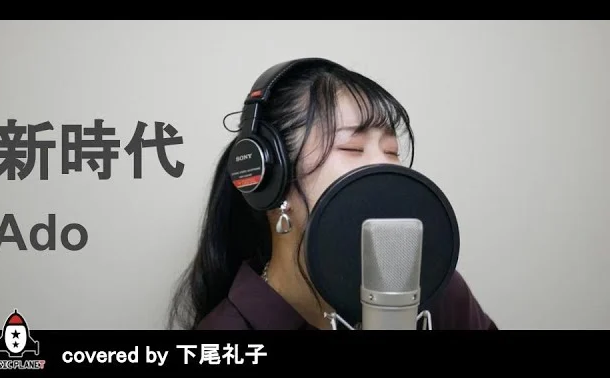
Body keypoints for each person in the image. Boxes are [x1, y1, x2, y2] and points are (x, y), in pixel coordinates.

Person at [167, 58, 497, 331]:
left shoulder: (435, 293)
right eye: (352, 148)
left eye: (392, 151)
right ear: (272, 180)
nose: (384, 168)